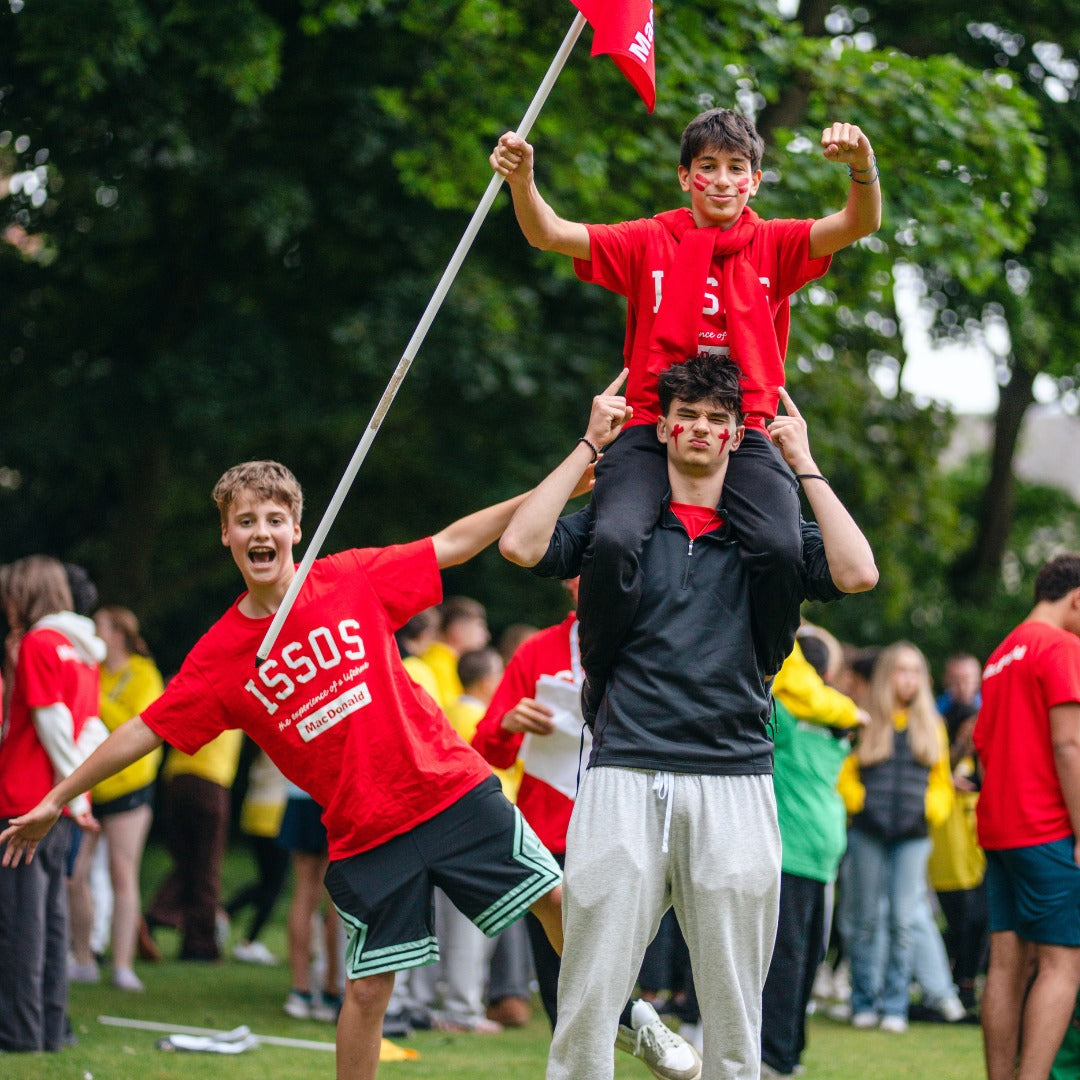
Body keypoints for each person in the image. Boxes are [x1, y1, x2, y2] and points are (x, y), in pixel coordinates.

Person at [0, 460, 563, 1080]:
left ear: (297, 527)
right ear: (227, 535)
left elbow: (454, 542)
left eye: (274, 518)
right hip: (365, 828)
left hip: (448, 788)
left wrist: (556, 484)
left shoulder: (347, 578)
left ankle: (620, 1019)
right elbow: (144, 729)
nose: (260, 531)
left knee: (559, 900)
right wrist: (58, 795)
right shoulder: (221, 656)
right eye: (245, 521)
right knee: (369, 992)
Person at [499, 356, 878, 1080]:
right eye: (689, 414)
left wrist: (803, 462)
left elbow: (858, 572)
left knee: (736, 1004)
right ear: (665, 426)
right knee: (588, 993)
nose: (701, 427)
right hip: (624, 770)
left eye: (717, 418)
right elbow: (520, 544)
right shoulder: (620, 526)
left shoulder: (765, 540)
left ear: (737, 435)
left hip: (735, 775)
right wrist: (588, 445)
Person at [491, 108, 881, 721]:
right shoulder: (648, 239)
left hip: (744, 429)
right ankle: (602, 665)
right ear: (684, 177)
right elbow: (550, 233)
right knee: (615, 539)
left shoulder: (773, 242)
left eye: (736, 168)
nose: (722, 180)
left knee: (780, 546)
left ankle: (764, 666)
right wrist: (523, 182)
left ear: (754, 180)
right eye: (707, 168)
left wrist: (861, 166)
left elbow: (859, 222)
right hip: (651, 424)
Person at [473, 578, 702, 1080]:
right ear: (570, 579)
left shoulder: (652, 640)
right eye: (588, 567)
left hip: (627, 827)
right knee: (561, 980)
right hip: (547, 835)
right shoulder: (537, 650)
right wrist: (509, 722)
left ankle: (635, 1015)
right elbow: (488, 748)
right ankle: (636, 1021)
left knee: (606, 963)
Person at [973, 553, 1080, 1080]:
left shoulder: (1000, 653)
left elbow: (984, 747)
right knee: (1063, 966)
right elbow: (1070, 745)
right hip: (1048, 829)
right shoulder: (1061, 646)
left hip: (1000, 830)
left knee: (1006, 967)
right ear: (1077, 599)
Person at [0, 556, 106, 1052]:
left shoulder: (41, 643)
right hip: (59, 808)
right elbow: (90, 731)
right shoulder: (84, 652)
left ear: (25, 592)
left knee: (20, 924)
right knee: (48, 919)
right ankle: (50, 1029)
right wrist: (78, 799)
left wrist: (70, 794)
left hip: (25, 803)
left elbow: (51, 725)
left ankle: (18, 1034)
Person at [837, 641, 954, 1034]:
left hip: (913, 836)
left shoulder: (931, 725)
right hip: (868, 831)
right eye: (900, 670)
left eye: (914, 671)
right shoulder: (866, 718)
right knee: (865, 920)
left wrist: (928, 811)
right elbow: (845, 772)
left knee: (903, 921)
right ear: (888, 676)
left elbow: (942, 785)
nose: (908, 678)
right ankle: (863, 1001)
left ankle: (895, 1005)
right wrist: (859, 802)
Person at [760, 631, 862, 1078]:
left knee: (784, 958)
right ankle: (791, 1052)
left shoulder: (784, 718)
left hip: (792, 852)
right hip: (824, 853)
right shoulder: (841, 723)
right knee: (805, 959)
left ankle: (776, 1057)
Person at [67, 605, 164, 992]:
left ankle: (123, 966)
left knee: (122, 875)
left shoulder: (143, 673)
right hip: (93, 787)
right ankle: (84, 957)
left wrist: (92, 694)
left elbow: (136, 726)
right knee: (74, 875)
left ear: (119, 635)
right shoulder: (94, 670)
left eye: (101, 628)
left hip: (129, 788)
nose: (94, 635)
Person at [226, 745, 289, 965]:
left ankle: (225, 911)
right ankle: (249, 941)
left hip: (254, 810)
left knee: (267, 881)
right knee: (276, 883)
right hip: (275, 813)